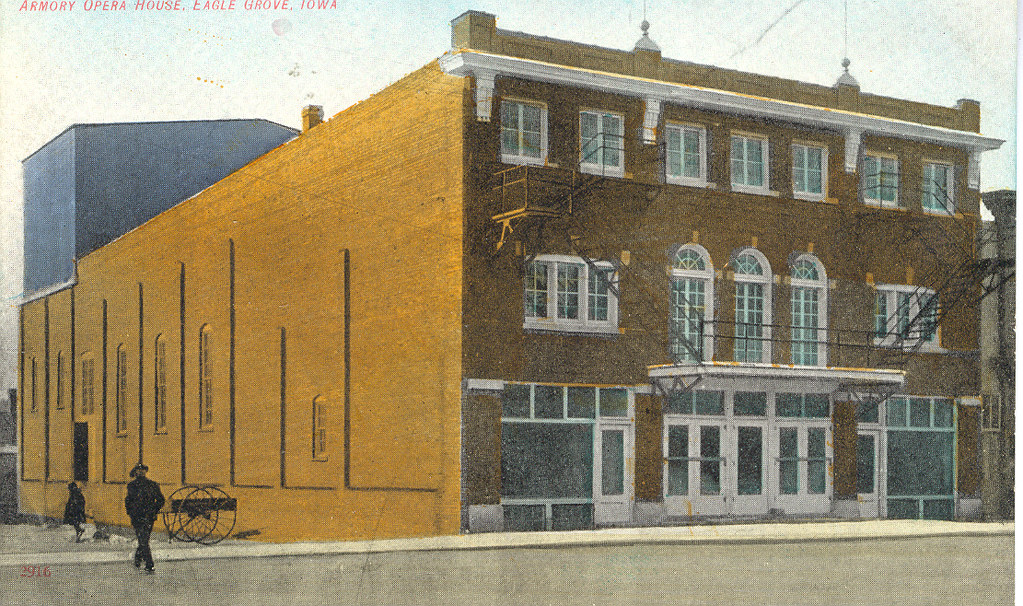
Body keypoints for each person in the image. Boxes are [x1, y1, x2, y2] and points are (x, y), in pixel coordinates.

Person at [124, 463, 165, 573]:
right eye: (138, 470)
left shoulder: (153, 485)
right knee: (143, 539)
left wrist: (154, 510)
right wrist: (130, 512)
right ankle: (144, 561)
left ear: (146, 472)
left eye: (143, 470)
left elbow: (161, 500)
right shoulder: (131, 486)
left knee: (143, 540)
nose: (141, 472)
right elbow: (128, 500)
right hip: (137, 517)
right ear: (136, 472)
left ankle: (143, 560)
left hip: (149, 517)